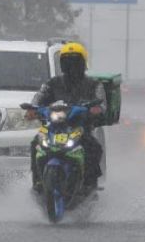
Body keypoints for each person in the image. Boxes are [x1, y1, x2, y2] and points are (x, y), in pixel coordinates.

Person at [27, 42, 106, 192]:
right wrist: (33, 109)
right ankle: (37, 181)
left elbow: (101, 104)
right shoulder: (53, 83)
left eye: (75, 61)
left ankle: (90, 183)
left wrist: (96, 109)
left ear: (83, 62)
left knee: (93, 147)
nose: (72, 65)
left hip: (81, 127)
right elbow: (39, 97)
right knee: (35, 144)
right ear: (62, 64)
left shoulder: (94, 84)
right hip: (54, 126)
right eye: (67, 61)